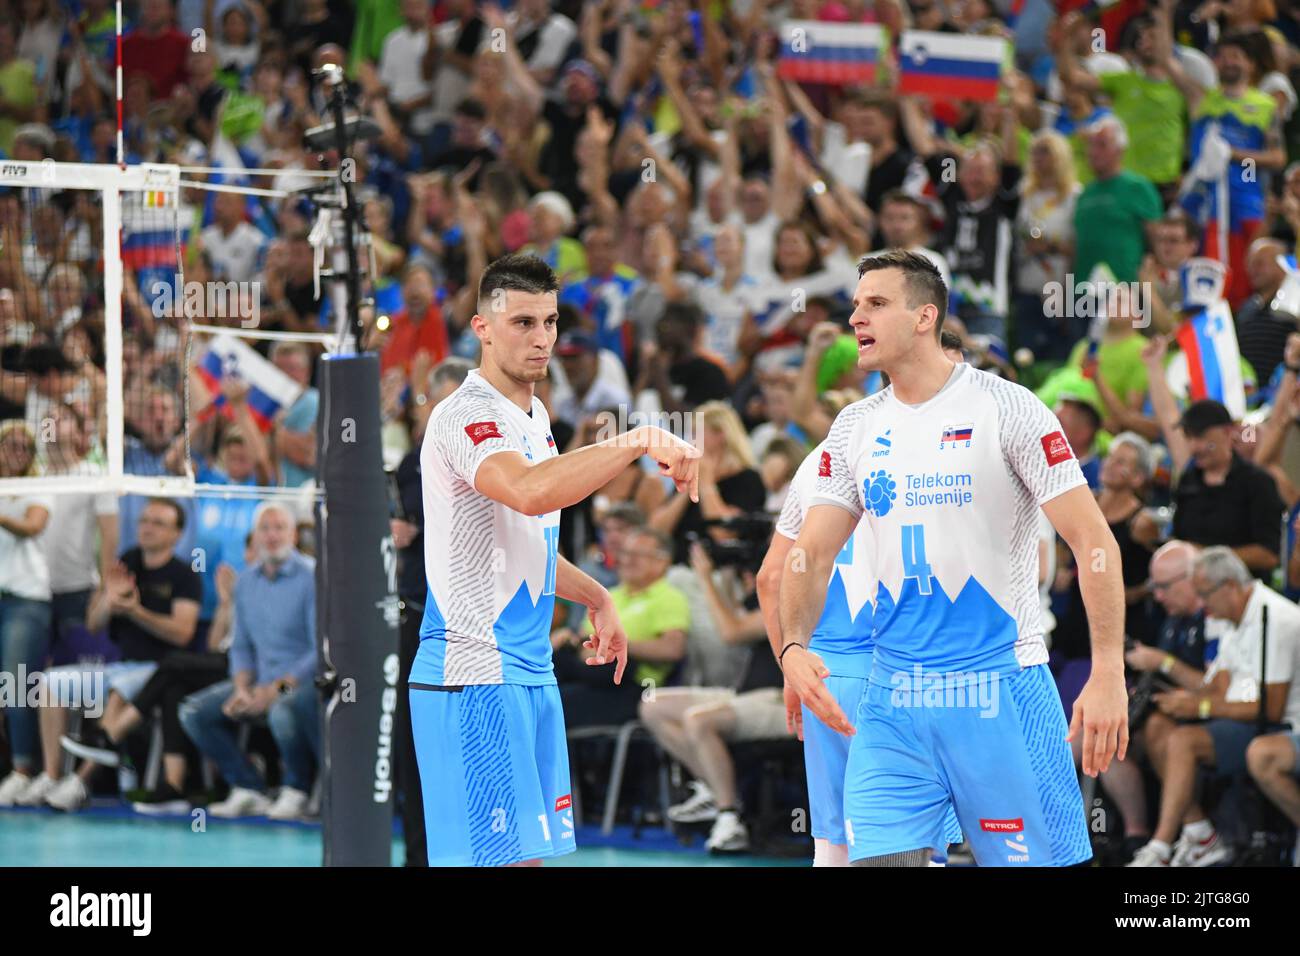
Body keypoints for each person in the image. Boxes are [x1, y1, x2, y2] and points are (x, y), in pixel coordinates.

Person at [779, 250, 1128, 867]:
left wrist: (1107, 672)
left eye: (876, 304)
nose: (856, 317)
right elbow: (809, 554)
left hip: (999, 687)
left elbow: (1094, 543)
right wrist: (794, 648)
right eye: (856, 304)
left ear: (924, 317)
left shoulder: (1007, 408)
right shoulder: (854, 427)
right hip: (893, 698)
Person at [411, 253, 698, 867]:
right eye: (522, 323)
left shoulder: (535, 415)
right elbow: (531, 492)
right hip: (474, 673)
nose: (541, 338)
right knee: (499, 863)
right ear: (481, 328)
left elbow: (525, 542)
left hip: (529, 669)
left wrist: (597, 596)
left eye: (549, 321)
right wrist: (637, 438)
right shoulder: (464, 415)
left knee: (526, 861)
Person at [1128, 547, 1300, 866]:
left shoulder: (1276, 618)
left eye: (1205, 594)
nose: (1202, 603)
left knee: (1184, 740)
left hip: (1281, 727)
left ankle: (1161, 846)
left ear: (1230, 587)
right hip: (1243, 719)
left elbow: (1271, 709)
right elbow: (1215, 688)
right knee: (1159, 725)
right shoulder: (1230, 619)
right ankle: (1200, 835)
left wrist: (1201, 709)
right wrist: (1183, 694)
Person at [177, 502, 319, 819]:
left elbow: (319, 650)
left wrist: (274, 690)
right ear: (254, 537)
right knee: (194, 712)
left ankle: (297, 789)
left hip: (302, 684)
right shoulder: (246, 582)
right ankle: (248, 786)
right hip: (258, 681)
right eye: (265, 529)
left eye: (279, 527)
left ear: (294, 535)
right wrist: (242, 687)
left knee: (282, 709)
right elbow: (240, 647)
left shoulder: (312, 577)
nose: (272, 535)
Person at [0, 421, 52, 806]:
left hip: (25, 600)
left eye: (24, 446)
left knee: (17, 687)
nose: (16, 451)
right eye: (9, 444)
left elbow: (32, 526)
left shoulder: (40, 486)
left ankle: (24, 770)